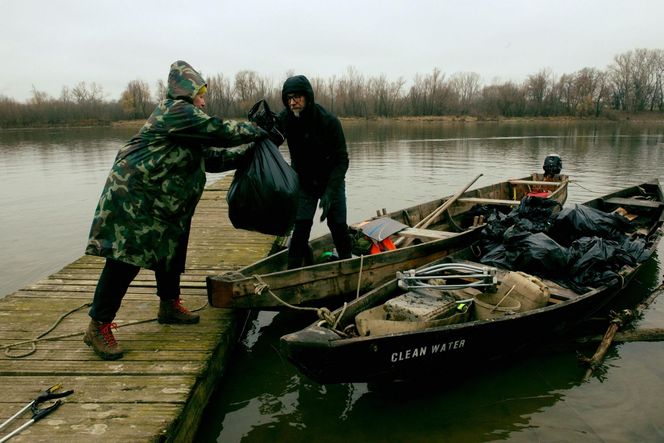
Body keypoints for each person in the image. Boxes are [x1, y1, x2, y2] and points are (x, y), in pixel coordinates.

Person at [84, 60, 266, 360]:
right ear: (187, 91)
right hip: (134, 198)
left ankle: (168, 306)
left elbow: (213, 159)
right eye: (201, 92)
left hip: (162, 202)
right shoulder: (177, 112)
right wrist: (255, 130)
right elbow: (220, 130)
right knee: (124, 260)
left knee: (170, 247)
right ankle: (97, 326)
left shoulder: (187, 126)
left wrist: (253, 148)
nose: (204, 99)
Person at [275, 75, 353, 269]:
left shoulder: (328, 121)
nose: (293, 103)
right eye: (289, 98)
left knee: (338, 227)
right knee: (300, 228)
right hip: (304, 182)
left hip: (331, 180)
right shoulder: (285, 119)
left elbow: (342, 160)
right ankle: (291, 273)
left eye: (297, 97)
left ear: (308, 97)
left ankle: (348, 266)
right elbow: (270, 140)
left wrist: (330, 193)